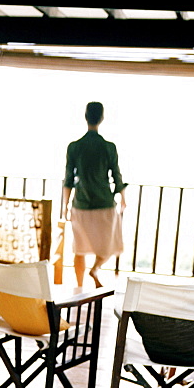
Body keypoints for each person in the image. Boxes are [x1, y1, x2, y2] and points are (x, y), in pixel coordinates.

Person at [62, 101, 127, 288]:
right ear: (102, 118)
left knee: (79, 249)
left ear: (85, 117)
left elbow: (68, 179)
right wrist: (123, 197)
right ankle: (95, 269)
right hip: (104, 202)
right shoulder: (109, 147)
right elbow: (116, 175)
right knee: (109, 245)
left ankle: (79, 287)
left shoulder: (74, 147)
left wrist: (64, 207)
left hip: (81, 203)